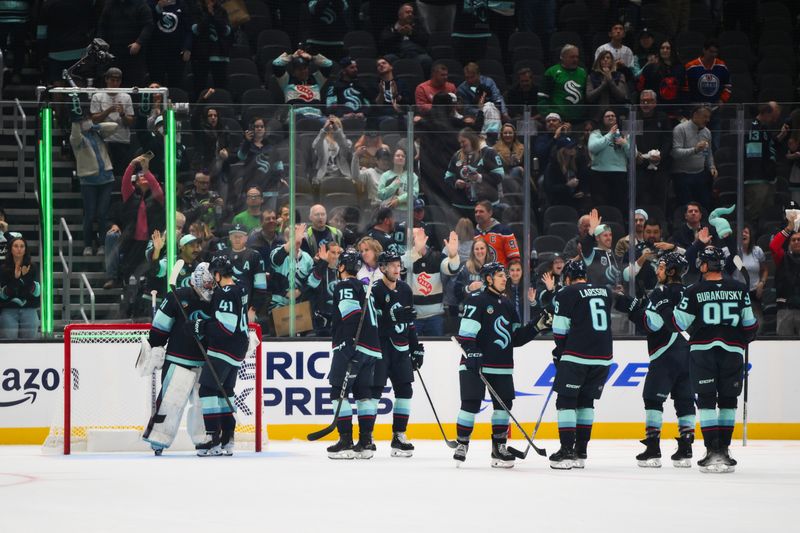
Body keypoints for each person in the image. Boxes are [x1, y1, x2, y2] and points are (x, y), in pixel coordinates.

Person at [453, 261, 552, 467]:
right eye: (500, 275)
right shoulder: (477, 300)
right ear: (489, 278)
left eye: (505, 275)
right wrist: (471, 352)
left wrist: (537, 326)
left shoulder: (507, 304)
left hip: (502, 364)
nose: (505, 278)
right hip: (476, 364)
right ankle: (462, 443)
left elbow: (516, 338)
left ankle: (498, 448)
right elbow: (466, 333)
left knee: (504, 406)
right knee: (471, 403)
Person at [673, 247, 758, 472]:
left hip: (703, 350)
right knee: (729, 400)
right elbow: (750, 325)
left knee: (707, 399)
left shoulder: (694, 290)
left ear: (704, 265)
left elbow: (679, 322)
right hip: (732, 351)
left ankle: (712, 450)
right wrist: (746, 335)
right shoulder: (740, 289)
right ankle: (724, 450)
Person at [616, 252, 695, 467]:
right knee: (685, 401)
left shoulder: (661, 292)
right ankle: (686, 449)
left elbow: (652, 323)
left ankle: (652, 449)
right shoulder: (690, 292)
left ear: (670, 272)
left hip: (664, 355)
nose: (657, 271)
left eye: (660, 268)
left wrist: (631, 309)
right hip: (689, 355)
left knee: (653, 399)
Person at [141, 263, 214, 454]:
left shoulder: (217, 298)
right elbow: (160, 326)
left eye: (212, 283)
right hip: (178, 359)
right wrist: (155, 346)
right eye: (207, 284)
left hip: (206, 361)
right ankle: (158, 439)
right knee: (170, 402)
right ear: (198, 279)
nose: (210, 288)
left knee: (202, 404)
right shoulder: (177, 296)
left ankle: (203, 440)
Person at [549, 259, 613, 469]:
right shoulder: (604, 291)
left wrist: (560, 352)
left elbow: (559, 330)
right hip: (603, 357)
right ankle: (580, 451)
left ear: (567, 278)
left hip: (577, 355)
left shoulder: (566, 293)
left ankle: (566, 451)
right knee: (586, 402)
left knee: (566, 402)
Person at [189, 256, 251, 456]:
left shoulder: (224, 293)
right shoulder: (240, 287)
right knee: (225, 391)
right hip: (239, 348)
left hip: (224, 348)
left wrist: (200, 325)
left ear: (217, 274)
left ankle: (212, 438)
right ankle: (227, 439)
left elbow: (225, 327)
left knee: (207, 390)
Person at [325, 248, 382, 459]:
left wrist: (348, 345)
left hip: (352, 346)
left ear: (341, 267)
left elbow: (351, 314)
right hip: (371, 349)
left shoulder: (345, 284)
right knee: (363, 393)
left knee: (336, 391)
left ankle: (346, 442)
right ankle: (366, 443)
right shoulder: (364, 286)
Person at [371, 251, 424, 457]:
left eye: (398, 264)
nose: (396, 268)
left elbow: (410, 322)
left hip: (401, 349)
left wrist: (416, 346)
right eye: (392, 265)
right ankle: (368, 436)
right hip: (381, 348)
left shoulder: (405, 289)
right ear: (382, 268)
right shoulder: (374, 290)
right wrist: (392, 317)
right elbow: (373, 323)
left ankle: (399, 436)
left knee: (405, 391)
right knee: (375, 391)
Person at [104, 155, 165, 289]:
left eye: (146, 176)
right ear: (136, 182)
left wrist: (145, 169)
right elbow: (125, 182)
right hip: (132, 240)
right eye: (140, 176)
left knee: (146, 270)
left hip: (150, 240)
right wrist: (132, 165)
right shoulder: (130, 196)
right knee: (130, 270)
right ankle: (122, 284)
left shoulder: (157, 197)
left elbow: (156, 186)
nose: (143, 177)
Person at [69, 95, 117, 257]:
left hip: (106, 179)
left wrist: (95, 126)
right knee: (90, 214)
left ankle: (103, 244)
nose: (86, 122)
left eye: (87, 119)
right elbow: (75, 135)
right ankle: (88, 245)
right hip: (89, 181)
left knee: (103, 214)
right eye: (84, 120)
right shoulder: (77, 139)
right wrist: (76, 121)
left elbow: (114, 126)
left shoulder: (97, 134)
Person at [406, 227, 461, 335]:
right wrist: (416, 252)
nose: (414, 240)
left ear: (425, 238)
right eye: (411, 238)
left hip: (435, 317)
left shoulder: (437, 257)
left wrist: (454, 256)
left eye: (417, 237)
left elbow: (452, 269)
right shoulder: (406, 258)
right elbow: (402, 266)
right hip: (412, 317)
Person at [744, 102, 789, 223]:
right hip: (757, 178)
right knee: (755, 210)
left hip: (767, 177)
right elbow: (754, 156)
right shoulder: (754, 128)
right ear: (766, 113)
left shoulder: (764, 128)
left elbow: (769, 146)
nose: (774, 119)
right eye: (772, 116)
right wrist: (765, 171)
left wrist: (781, 135)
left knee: (767, 210)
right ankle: (751, 237)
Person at [444, 128, 504, 217]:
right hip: (462, 208)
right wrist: (456, 183)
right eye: (460, 142)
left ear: (472, 139)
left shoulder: (489, 153)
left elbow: (499, 176)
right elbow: (447, 177)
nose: (461, 145)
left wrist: (479, 177)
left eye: (463, 141)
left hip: (486, 209)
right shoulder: (457, 155)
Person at [212, 223, 268, 320]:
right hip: (223, 305)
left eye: (240, 236)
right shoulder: (220, 255)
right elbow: (213, 281)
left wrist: (253, 309)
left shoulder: (254, 256)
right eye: (234, 236)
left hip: (246, 305)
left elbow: (261, 287)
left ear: (246, 238)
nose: (237, 239)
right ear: (230, 237)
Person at [90, 68, 136, 178]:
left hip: (121, 140)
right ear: (106, 79)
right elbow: (94, 119)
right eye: (112, 80)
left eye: (117, 80)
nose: (115, 83)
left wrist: (122, 114)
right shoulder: (97, 96)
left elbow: (130, 121)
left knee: (120, 174)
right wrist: (108, 110)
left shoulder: (126, 97)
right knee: (104, 174)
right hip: (103, 140)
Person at [97, 0, 153, 87]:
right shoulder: (110, 4)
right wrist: (101, 44)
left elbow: (148, 25)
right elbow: (102, 25)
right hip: (112, 53)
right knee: (111, 81)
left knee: (133, 84)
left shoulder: (140, 4)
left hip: (133, 53)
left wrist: (139, 42)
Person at [671, 105, 717, 212]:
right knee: (686, 208)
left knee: (704, 205)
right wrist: (695, 150)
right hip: (682, 174)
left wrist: (711, 166)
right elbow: (675, 152)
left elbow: (708, 153)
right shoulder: (680, 129)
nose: (707, 120)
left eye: (709, 117)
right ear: (695, 115)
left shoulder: (707, 132)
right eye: (705, 116)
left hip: (700, 174)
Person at [236, 116, 286, 212]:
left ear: (265, 129)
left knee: (269, 218)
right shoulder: (247, 145)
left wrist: (280, 177)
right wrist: (247, 141)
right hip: (251, 190)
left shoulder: (271, 147)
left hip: (269, 190)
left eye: (261, 126)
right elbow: (241, 156)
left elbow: (278, 166)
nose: (259, 128)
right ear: (252, 129)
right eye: (256, 126)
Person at [588, 109, 630, 217]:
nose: (611, 117)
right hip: (599, 174)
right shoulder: (596, 133)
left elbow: (633, 155)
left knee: (619, 206)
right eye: (607, 116)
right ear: (602, 119)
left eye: (613, 115)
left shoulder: (624, 134)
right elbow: (593, 148)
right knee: (600, 207)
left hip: (619, 174)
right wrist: (610, 134)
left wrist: (625, 144)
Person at [272, 47, 333, 121]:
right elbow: (276, 64)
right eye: (299, 69)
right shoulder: (287, 80)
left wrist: (312, 58)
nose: (303, 71)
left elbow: (328, 64)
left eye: (305, 68)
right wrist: (291, 57)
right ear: (294, 71)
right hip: (296, 117)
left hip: (316, 116)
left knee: (331, 123)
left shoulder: (316, 79)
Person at [635, 91, 672, 210]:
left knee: (659, 201)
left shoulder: (663, 117)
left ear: (655, 103)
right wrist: (636, 155)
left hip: (660, 167)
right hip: (640, 167)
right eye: (643, 101)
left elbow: (668, 140)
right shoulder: (634, 117)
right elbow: (629, 140)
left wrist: (661, 155)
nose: (646, 104)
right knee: (642, 201)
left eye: (649, 101)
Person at [189, 0, 231, 100]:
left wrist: (214, 16)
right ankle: (199, 108)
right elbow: (197, 30)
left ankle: (220, 108)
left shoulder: (222, 11)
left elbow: (226, 31)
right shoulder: (196, 10)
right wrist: (208, 15)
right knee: (199, 85)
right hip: (201, 55)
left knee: (221, 86)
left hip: (219, 54)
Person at [0, 236, 41, 339]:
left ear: (25, 249)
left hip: (29, 309)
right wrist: (16, 278)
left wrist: (25, 277)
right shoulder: (3, 269)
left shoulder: (33, 267)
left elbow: (36, 292)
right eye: (16, 246)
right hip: (8, 310)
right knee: (9, 344)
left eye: (22, 246)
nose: (19, 249)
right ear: (11, 249)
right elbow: (3, 295)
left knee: (30, 345)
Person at [147, 0, 192, 87]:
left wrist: (187, 48)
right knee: (156, 83)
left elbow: (188, 29)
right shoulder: (151, 3)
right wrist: (158, 8)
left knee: (175, 84)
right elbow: (148, 23)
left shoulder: (182, 4)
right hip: (156, 53)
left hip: (176, 54)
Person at [538, 44, 587, 124]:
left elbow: (586, 97)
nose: (575, 60)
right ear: (562, 57)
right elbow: (542, 97)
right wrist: (548, 115)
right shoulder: (551, 72)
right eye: (572, 57)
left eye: (577, 57)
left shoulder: (583, 73)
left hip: (579, 120)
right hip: (557, 121)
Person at [269, 224, 314, 310]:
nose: (297, 240)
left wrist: (300, 290)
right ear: (286, 238)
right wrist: (284, 293)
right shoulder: (276, 252)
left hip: (300, 305)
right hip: (278, 304)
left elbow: (312, 279)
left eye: (299, 237)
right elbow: (277, 260)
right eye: (293, 237)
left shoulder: (307, 257)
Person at [636, 40, 684, 121]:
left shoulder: (680, 68)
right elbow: (640, 88)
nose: (665, 50)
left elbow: (683, 90)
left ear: (672, 50)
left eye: (668, 48)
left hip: (676, 110)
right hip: (656, 112)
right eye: (662, 48)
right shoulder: (650, 68)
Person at [770, 210, 800, 336]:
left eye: (799, 239)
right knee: (783, 348)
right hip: (785, 310)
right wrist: (789, 228)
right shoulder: (782, 257)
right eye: (793, 240)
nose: (796, 242)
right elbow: (774, 246)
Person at [379, 3, 431, 74]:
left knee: (426, 60)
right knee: (388, 59)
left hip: (416, 54)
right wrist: (398, 34)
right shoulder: (391, 28)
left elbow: (425, 40)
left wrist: (412, 33)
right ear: (400, 15)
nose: (410, 14)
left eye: (411, 12)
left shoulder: (418, 27)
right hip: (397, 55)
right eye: (407, 12)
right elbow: (384, 42)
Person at [306, 241, 342, 336]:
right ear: (325, 253)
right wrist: (323, 262)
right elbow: (312, 283)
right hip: (320, 321)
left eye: (338, 253)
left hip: (338, 320)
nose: (336, 256)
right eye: (333, 252)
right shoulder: (317, 269)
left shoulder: (342, 271)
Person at [580, 209, 622, 291]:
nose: (609, 238)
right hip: (597, 294)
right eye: (605, 235)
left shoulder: (614, 255)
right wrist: (591, 230)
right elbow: (585, 246)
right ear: (597, 238)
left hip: (614, 295)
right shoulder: (592, 254)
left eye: (610, 235)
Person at [736, 224, 768, 331]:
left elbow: (765, 269)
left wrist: (762, 283)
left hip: (754, 291)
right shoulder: (732, 252)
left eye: (746, 232)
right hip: (737, 293)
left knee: (756, 321)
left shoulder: (757, 251)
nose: (743, 234)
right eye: (741, 232)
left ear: (750, 236)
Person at [311, 116, 357, 187]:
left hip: (342, 176)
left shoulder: (347, 142)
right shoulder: (322, 141)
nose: (332, 126)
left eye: (335, 124)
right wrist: (324, 130)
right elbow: (315, 145)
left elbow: (344, 146)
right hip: (324, 177)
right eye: (330, 124)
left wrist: (337, 131)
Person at [585, 50, 629, 123]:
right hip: (597, 116)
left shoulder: (620, 75)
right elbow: (589, 97)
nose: (605, 60)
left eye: (608, 58)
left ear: (612, 61)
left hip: (615, 115)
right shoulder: (592, 76)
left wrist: (610, 80)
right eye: (602, 58)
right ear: (599, 61)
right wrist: (603, 84)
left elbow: (622, 96)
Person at [543, 135, 584, 209]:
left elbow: (582, 179)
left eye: (574, 146)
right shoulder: (553, 166)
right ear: (562, 150)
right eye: (569, 147)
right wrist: (567, 186)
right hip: (558, 202)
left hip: (574, 201)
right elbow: (549, 188)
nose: (573, 149)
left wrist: (581, 191)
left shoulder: (577, 161)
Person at [473, 200, 520, 266]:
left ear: (490, 213)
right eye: (476, 212)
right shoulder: (473, 234)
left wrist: (507, 275)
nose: (477, 214)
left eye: (481, 211)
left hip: (501, 274)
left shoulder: (504, 232)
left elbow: (514, 259)